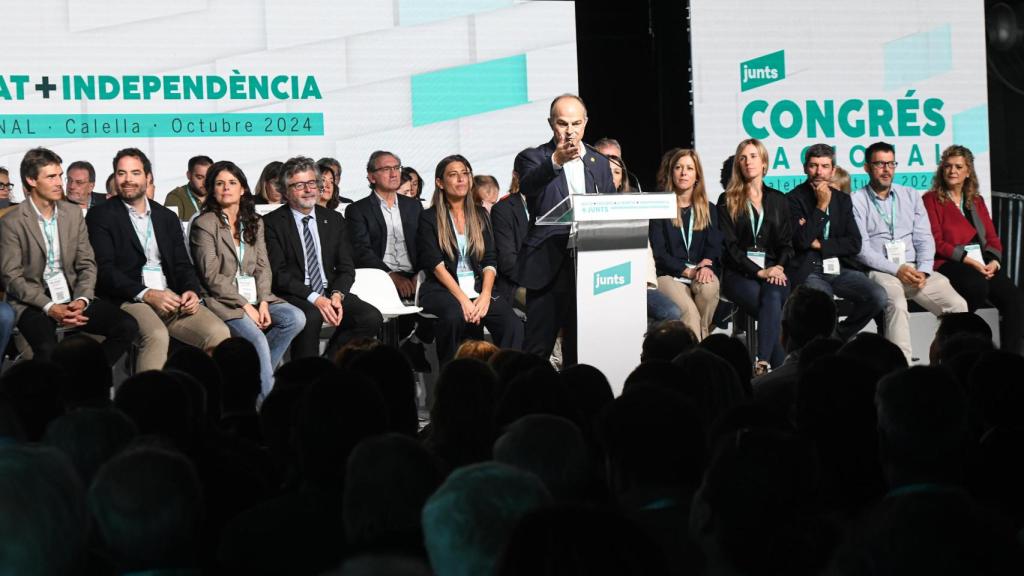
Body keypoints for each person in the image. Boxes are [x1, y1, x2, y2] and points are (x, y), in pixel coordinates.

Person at [87, 148, 229, 372]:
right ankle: (149, 404)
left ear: (148, 177)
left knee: (219, 334)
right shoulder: (101, 215)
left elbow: (182, 264)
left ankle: (206, 401)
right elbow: (105, 272)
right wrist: (148, 294)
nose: (127, 180)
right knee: (156, 336)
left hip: (170, 297)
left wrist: (191, 290)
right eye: (121, 173)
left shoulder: (166, 217)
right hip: (130, 298)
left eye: (135, 173)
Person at [0, 147, 138, 365]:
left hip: (73, 294)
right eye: (51, 177)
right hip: (33, 302)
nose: (59, 183)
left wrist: (82, 299)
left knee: (127, 327)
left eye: (60, 176)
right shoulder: (12, 222)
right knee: (48, 351)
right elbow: (12, 278)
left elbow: (87, 264)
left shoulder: (73, 213)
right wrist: (51, 307)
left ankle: (87, 380)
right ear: (31, 180)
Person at [514, 94, 616, 365]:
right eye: (562, 123)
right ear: (551, 124)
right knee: (537, 350)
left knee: (581, 350)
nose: (570, 131)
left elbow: (612, 207)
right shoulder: (534, 157)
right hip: (549, 265)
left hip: (590, 265)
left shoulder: (599, 162)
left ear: (585, 124)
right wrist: (556, 161)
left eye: (576, 123)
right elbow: (528, 186)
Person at [189, 160, 306, 398]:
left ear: (242, 188)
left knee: (295, 318)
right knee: (257, 339)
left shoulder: (254, 221)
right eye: (219, 183)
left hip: (256, 297)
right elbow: (211, 277)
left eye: (232, 182)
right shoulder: (204, 224)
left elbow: (263, 267)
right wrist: (245, 305)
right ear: (212, 190)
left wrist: (263, 302)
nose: (226, 188)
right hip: (223, 301)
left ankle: (255, 383)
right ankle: (266, 403)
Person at [852, 141, 967, 363]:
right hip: (882, 270)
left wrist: (924, 270)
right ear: (867, 168)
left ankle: (949, 361)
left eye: (890, 163)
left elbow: (924, 237)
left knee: (957, 306)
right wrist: (897, 269)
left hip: (916, 270)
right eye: (879, 164)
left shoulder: (911, 195)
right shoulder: (856, 200)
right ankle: (900, 370)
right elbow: (861, 250)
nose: (886, 169)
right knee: (896, 303)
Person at [262, 156, 383, 359]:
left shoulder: (334, 219)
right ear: (285, 191)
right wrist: (315, 298)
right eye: (299, 185)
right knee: (311, 315)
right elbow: (278, 273)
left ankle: (330, 363)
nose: (308, 190)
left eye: (312, 183)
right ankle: (307, 376)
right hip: (295, 293)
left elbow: (346, 267)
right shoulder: (272, 223)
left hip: (330, 290)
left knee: (370, 317)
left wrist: (337, 295)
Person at [417, 155, 523, 365]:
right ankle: (451, 379)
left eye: (465, 174)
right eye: (453, 175)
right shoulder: (429, 217)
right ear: (440, 182)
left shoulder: (481, 214)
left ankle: (506, 377)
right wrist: (464, 300)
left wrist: (484, 295)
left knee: (513, 326)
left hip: (477, 288)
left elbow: (490, 260)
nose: (461, 180)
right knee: (455, 315)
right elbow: (436, 265)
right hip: (442, 289)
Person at [923, 144, 1024, 354]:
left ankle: (1009, 358)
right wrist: (969, 260)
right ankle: (951, 338)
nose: (953, 171)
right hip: (949, 261)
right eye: (948, 166)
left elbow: (993, 238)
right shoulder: (931, 199)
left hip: (982, 262)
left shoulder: (975, 200)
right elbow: (936, 242)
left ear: (968, 171)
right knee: (977, 286)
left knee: (1014, 300)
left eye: (959, 167)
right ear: (942, 170)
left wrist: (994, 262)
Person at [787, 143, 885, 341]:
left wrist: (821, 244)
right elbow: (802, 241)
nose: (818, 172)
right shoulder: (793, 199)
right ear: (806, 168)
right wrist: (821, 205)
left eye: (824, 166)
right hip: (810, 270)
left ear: (832, 170)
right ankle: (828, 353)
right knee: (825, 305)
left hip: (838, 267)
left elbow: (854, 243)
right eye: (814, 166)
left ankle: (838, 338)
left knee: (878, 296)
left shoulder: (842, 200)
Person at [718, 138, 793, 373]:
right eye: (743, 157)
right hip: (739, 274)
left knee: (771, 297)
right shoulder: (727, 200)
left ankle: (762, 363)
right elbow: (729, 248)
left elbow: (787, 245)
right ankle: (783, 372)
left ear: (764, 163)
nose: (748, 162)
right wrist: (759, 271)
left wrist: (778, 267)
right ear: (738, 165)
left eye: (753, 156)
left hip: (774, 272)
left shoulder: (779, 200)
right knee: (772, 307)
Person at [649, 149, 722, 340]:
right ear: (671, 173)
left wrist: (706, 264)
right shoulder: (660, 207)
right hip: (669, 275)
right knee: (689, 312)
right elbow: (659, 252)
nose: (683, 173)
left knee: (709, 287)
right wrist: (686, 271)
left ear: (697, 175)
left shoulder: (709, 209)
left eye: (689, 168)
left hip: (699, 270)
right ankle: (699, 352)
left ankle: (699, 341)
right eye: (678, 168)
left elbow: (714, 245)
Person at [346, 150, 422, 300]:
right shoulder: (357, 210)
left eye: (396, 168)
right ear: (371, 177)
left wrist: (421, 274)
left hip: (416, 275)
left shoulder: (414, 206)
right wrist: (390, 275)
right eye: (386, 169)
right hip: (379, 276)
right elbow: (361, 251)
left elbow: (425, 245)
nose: (393, 174)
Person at [490, 169, 528, 306]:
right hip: (518, 283)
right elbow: (507, 261)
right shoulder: (503, 209)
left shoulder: (552, 205)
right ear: (516, 175)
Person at [163, 155, 213, 222]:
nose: (205, 182)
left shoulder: (218, 195)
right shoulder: (175, 197)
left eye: (209, 177)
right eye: (199, 177)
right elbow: (169, 227)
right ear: (189, 175)